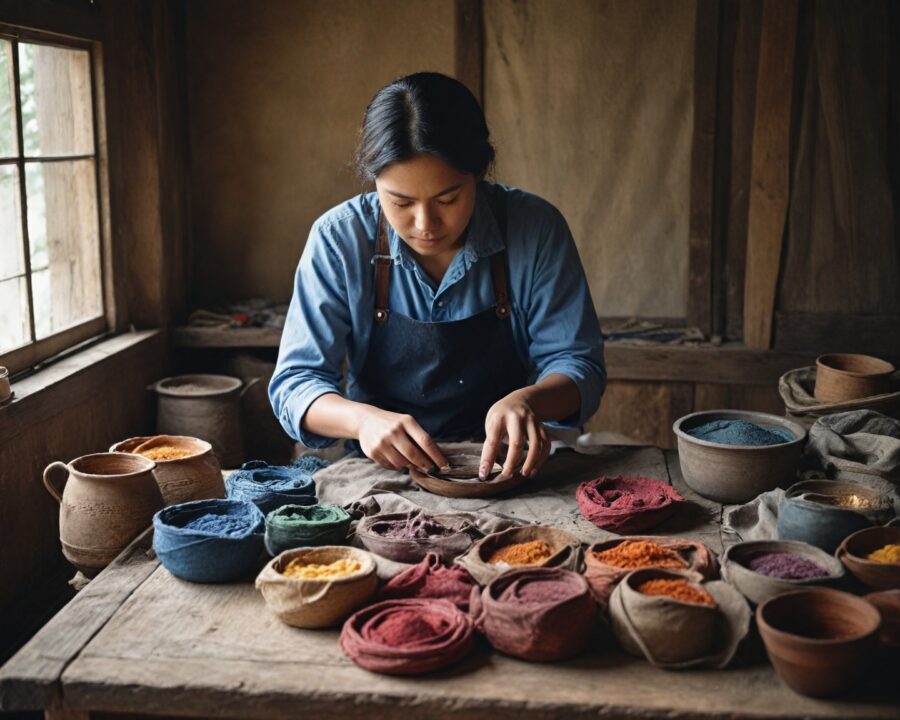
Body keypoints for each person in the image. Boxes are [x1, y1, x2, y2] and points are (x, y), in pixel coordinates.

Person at [270, 72, 605, 481]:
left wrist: (531, 400)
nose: (425, 223)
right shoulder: (339, 239)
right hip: (382, 471)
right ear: (374, 182)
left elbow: (578, 363)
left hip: (505, 468)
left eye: (448, 198)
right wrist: (362, 421)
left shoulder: (535, 228)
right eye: (400, 202)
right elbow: (295, 382)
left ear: (479, 174)